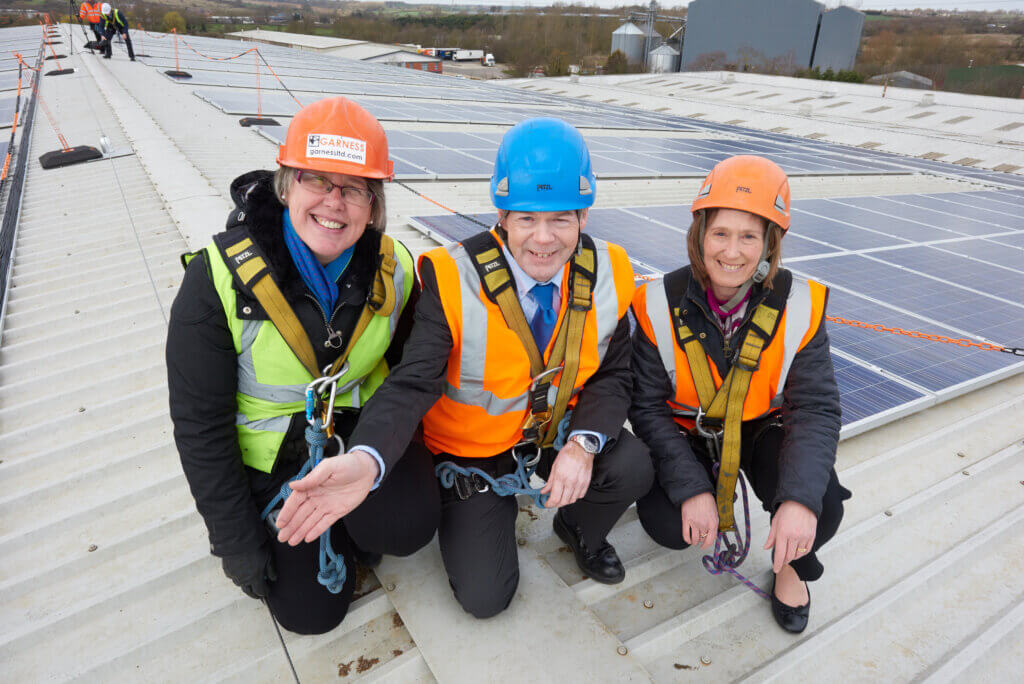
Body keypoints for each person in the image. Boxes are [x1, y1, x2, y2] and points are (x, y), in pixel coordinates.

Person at [273, 117, 654, 619]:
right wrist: (368, 459)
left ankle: (579, 527)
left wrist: (583, 446)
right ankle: (478, 511)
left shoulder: (611, 270)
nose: (543, 239)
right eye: (526, 219)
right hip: (474, 458)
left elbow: (613, 373)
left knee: (631, 464)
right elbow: (413, 381)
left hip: (554, 433)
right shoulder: (453, 278)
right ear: (502, 213)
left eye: (561, 219)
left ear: (584, 215)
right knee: (486, 598)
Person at [166, 97, 439, 635]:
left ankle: (354, 521)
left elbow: (411, 376)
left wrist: (374, 459)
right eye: (317, 180)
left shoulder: (396, 269)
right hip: (272, 467)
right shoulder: (217, 279)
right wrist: (236, 542)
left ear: (373, 206)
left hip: (357, 443)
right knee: (310, 615)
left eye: (355, 188)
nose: (334, 203)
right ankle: (313, 532)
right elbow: (200, 427)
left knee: (407, 525)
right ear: (286, 185)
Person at [629, 155, 851, 634]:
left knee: (823, 506)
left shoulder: (800, 305)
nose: (732, 251)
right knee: (668, 523)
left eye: (749, 236)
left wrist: (798, 500)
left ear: (770, 242)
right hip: (688, 431)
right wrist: (692, 489)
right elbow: (646, 407)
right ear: (699, 236)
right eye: (720, 233)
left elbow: (815, 408)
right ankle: (704, 488)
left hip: (761, 428)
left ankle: (790, 568)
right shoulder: (656, 303)